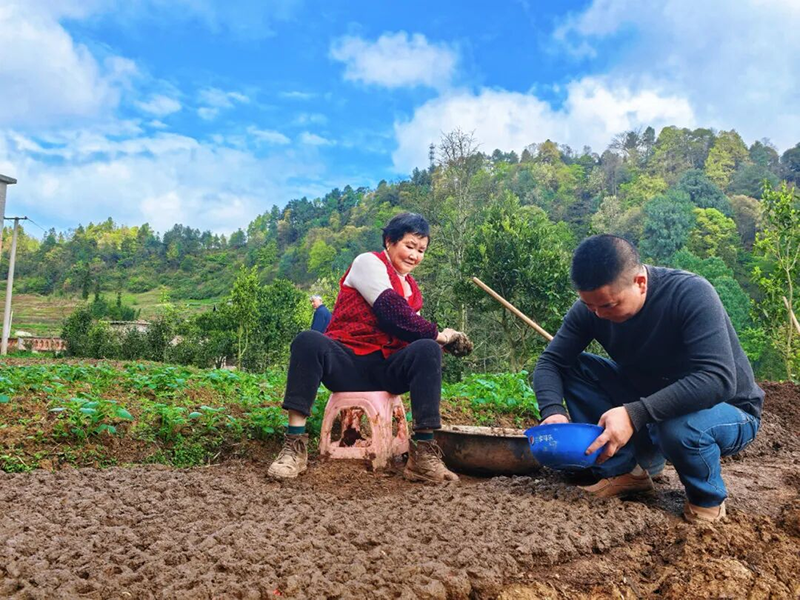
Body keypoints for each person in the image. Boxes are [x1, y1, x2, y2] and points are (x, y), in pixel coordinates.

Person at [533, 235, 763, 523]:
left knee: (678, 429)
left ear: (640, 283)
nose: (598, 315)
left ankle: (707, 499)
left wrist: (633, 414)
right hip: (654, 402)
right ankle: (628, 471)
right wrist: (553, 412)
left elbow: (717, 379)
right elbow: (550, 362)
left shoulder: (690, 294)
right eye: (590, 306)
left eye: (607, 306)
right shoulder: (592, 308)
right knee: (574, 366)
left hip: (727, 408)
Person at [268, 212, 467, 483]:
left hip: (386, 369)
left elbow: (412, 329)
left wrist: (445, 341)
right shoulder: (368, 263)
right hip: (347, 362)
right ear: (389, 241)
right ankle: (294, 446)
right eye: (409, 246)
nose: (415, 256)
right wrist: (442, 335)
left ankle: (423, 454)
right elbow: (391, 312)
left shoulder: (411, 289)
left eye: (421, 250)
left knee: (427, 349)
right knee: (308, 340)